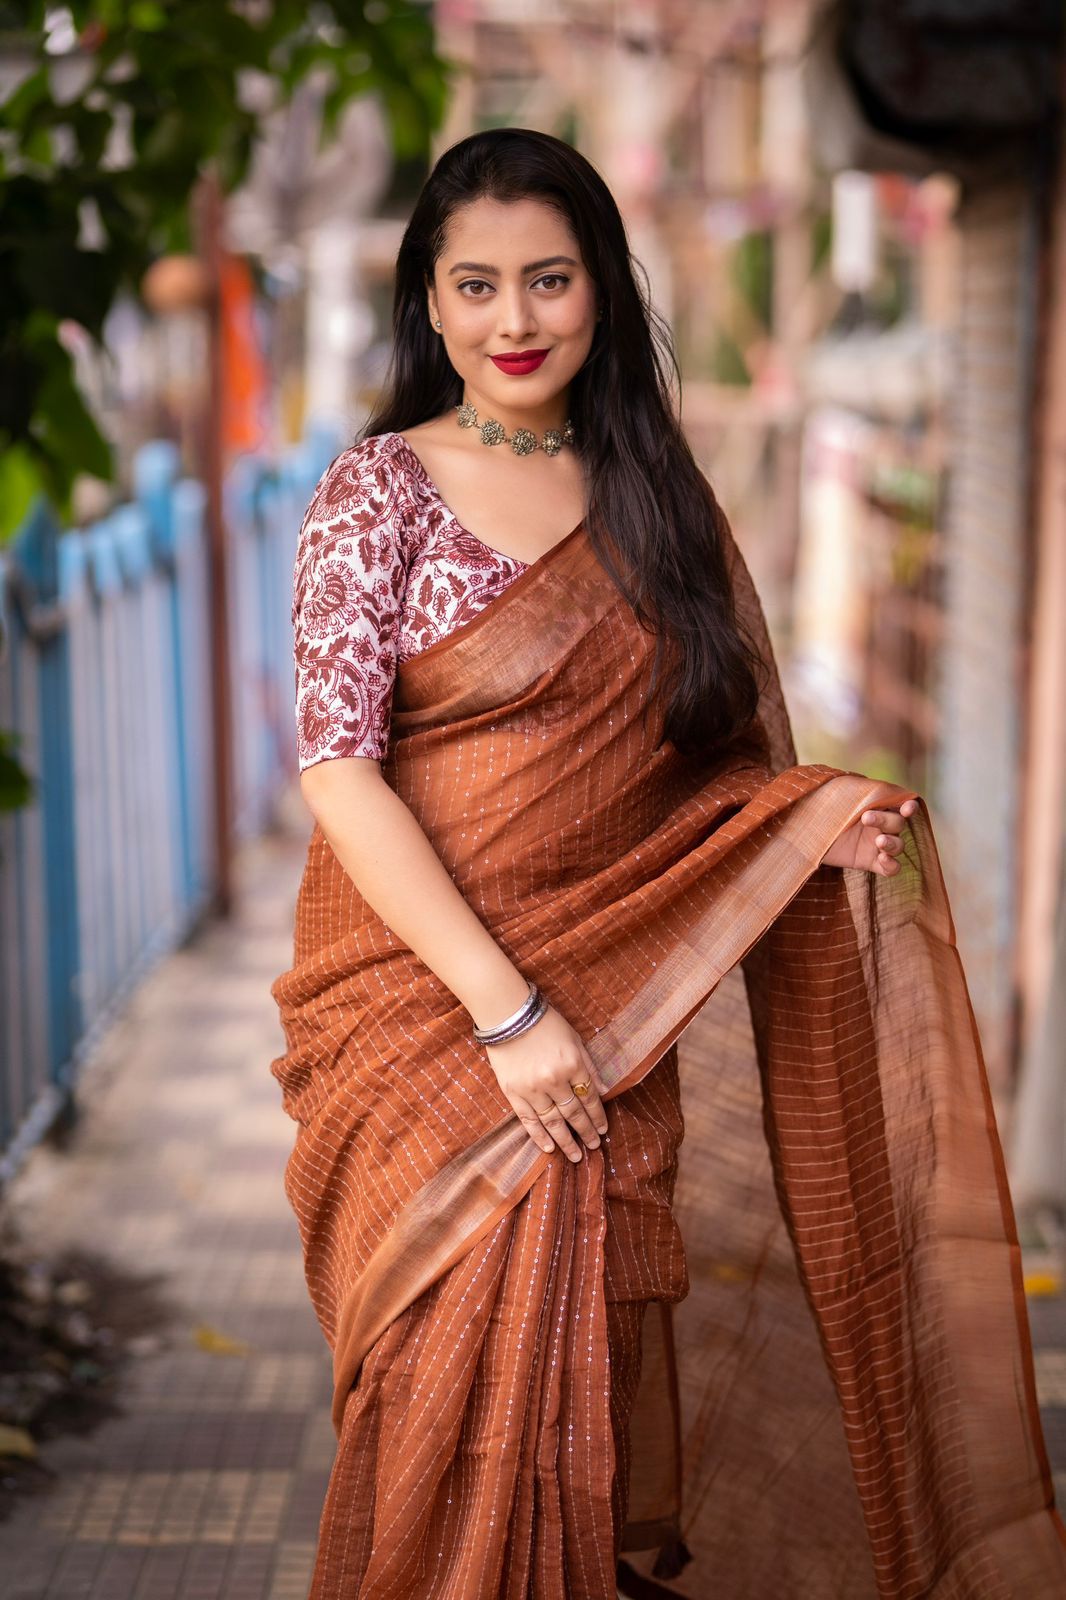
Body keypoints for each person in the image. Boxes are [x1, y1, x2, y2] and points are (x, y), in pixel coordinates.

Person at [269, 128, 1066, 1599]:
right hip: (422, 1031)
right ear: (429, 305)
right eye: (479, 286)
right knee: (446, 1412)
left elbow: (714, 772)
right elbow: (337, 766)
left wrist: (804, 826)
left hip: (609, 1041)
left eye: (551, 281)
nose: (516, 322)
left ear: (602, 295)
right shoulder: (375, 493)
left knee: (606, 1441)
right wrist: (507, 1017)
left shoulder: (656, 502)